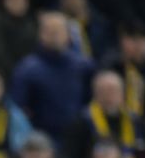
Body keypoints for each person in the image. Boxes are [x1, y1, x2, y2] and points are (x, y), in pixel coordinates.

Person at [10, 12, 93, 142]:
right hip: (41, 140)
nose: (54, 36)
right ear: (41, 34)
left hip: (77, 138)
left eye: (58, 31)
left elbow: (90, 102)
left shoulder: (83, 66)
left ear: (68, 34)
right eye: (49, 31)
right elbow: (18, 110)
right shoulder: (27, 70)